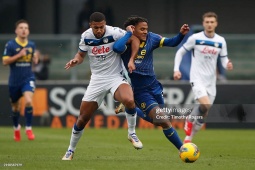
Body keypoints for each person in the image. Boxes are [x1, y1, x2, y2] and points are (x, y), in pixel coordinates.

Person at [62, 12, 142, 161]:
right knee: (82, 118)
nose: (99, 30)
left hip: (115, 77)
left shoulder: (115, 32)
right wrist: (75, 60)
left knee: (129, 100)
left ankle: (131, 133)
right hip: (97, 80)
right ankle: (70, 150)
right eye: (96, 27)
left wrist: (132, 58)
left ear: (105, 24)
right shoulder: (86, 36)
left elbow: (135, 38)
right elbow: (80, 55)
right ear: (90, 25)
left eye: (101, 27)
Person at [113, 16, 190, 151]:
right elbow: (116, 48)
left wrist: (181, 35)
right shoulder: (126, 42)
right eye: (141, 29)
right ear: (133, 29)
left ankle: (131, 109)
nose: (145, 32)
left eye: (146, 29)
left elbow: (172, 43)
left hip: (154, 86)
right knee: (164, 121)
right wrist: (128, 34)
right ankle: (182, 149)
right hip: (139, 91)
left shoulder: (152, 38)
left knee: (160, 120)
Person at [173, 12, 233, 143]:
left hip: (211, 82)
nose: (210, 24)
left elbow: (223, 59)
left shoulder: (220, 41)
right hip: (197, 78)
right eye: (207, 22)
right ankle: (189, 119)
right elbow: (181, 51)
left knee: (204, 113)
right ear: (203, 23)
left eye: (212, 22)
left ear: (216, 24)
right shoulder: (195, 38)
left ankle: (189, 139)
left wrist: (227, 64)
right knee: (205, 105)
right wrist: (176, 69)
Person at [2, 19, 38, 142]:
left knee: (28, 101)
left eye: (26, 28)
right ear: (16, 31)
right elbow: (5, 61)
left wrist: (35, 60)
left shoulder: (32, 45)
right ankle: (16, 128)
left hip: (28, 78)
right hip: (14, 81)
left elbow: (33, 61)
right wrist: (19, 55)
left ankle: (28, 128)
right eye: (21, 28)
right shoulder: (10, 45)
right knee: (15, 108)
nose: (24, 30)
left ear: (28, 31)